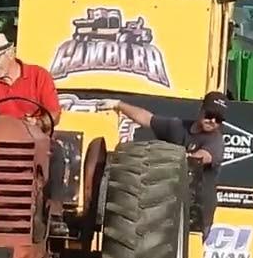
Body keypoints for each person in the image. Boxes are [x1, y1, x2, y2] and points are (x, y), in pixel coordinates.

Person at [0, 32, 69, 235]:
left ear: (10, 53)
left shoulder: (38, 76)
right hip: (0, 142)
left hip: (34, 138)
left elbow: (54, 113)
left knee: (56, 154)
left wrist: (38, 121)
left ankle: (54, 213)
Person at [96, 91, 228, 232]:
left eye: (218, 119)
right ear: (201, 109)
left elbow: (202, 157)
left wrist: (177, 157)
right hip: (166, 206)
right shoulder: (178, 127)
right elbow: (147, 118)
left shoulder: (215, 140)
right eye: (209, 115)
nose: (213, 121)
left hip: (196, 213)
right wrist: (118, 104)